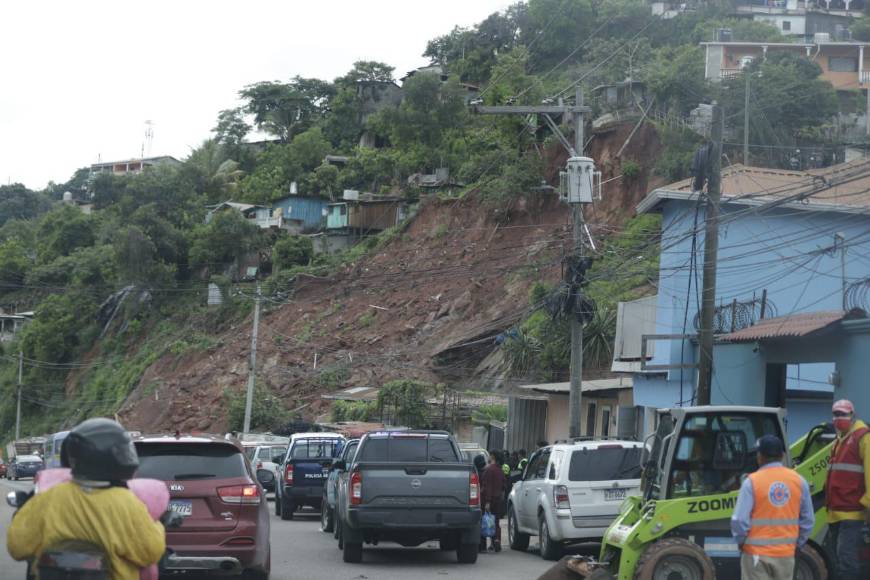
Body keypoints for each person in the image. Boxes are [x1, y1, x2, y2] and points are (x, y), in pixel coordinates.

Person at [7, 418, 166, 580]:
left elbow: (17, 547)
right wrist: (157, 524)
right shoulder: (129, 503)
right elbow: (151, 552)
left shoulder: (48, 498)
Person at [731, 435, 814, 580]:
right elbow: (808, 520)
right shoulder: (799, 481)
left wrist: (741, 542)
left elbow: (739, 520)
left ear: (760, 456)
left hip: (756, 555)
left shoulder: (751, 482)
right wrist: (797, 544)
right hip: (785, 555)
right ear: (782, 455)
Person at [825, 399, 870, 580]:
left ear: (853, 415)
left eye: (843, 414)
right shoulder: (840, 440)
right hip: (836, 511)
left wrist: (867, 503)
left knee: (846, 560)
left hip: (852, 512)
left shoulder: (862, 438)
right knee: (838, 559)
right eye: (836, 414)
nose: (838, 418)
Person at [480, 451, 507, 553]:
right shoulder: (500, 470)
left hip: (488, 500)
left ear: (493, 456)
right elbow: (504, 485)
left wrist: (487, 501)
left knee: (484, 521)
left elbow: (487, 487)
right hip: (498, 499)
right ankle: (496, 541)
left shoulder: (488, 470)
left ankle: (482, 546)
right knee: (495, 522)